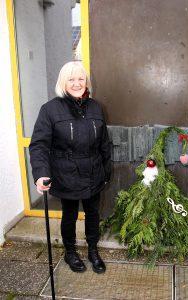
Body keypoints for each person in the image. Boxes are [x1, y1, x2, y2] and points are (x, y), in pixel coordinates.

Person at [29, 61, 111, 274]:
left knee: (93, 213)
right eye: (71, 79)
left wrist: (105, 170)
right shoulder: (50, 110)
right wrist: (40, 174)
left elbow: (104, 143)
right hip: (66, 175)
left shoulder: (95, 107)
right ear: (63, 83)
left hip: (94, 173)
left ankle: (93, 250)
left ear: (87, 81)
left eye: (81, 79)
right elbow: (39, 145)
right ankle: (70, 252)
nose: (77, 83)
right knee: (70, 214)